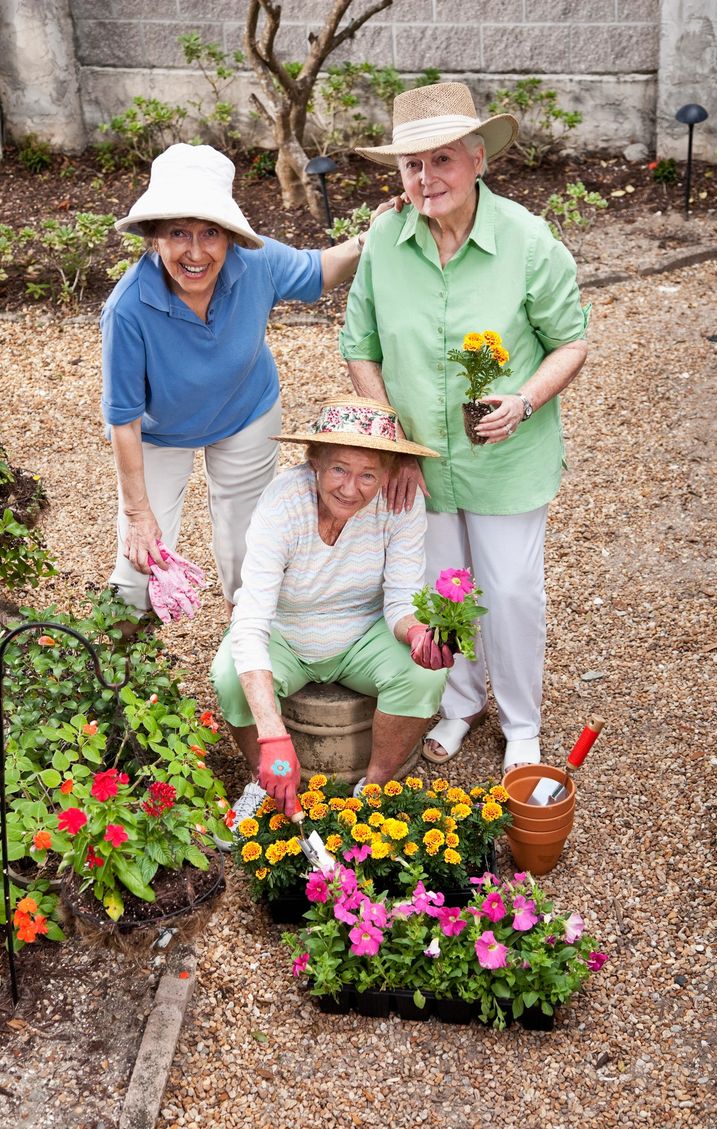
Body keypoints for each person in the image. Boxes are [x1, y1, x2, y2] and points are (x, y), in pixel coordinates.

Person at [339, 82, 589, 774]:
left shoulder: (529, 242)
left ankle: (522, 723)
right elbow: (359, 344)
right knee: (442, 586)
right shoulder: (387, 238)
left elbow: (571, 342)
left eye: (442, 160)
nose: (426, 179)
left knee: (508, 590)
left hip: (509, 458)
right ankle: (458, 702)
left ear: (479, 160)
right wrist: (392, 443)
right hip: (419, 462)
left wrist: (525, 400)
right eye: (412, 165)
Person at [101, 142, 375, 619]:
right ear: (154, 238)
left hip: (245, 411)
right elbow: (123, 422)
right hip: (160, 431)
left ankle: (245, 652)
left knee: (248, 550)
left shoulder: (257, 263)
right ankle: (126, 670)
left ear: (230, 236)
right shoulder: (127, 311)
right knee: (138, 566)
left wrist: (369, 241)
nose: (194, 251)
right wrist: (137, 514)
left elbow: (317, 271)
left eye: (210, 233)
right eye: (178, 232)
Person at [210, 397, 452, 827]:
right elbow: (250, 621)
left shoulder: (400, 502)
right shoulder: (283, 504)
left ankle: (375, 788)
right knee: (231, 674)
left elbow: (399, 598)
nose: (349, 487)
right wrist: (273, 736)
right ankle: (264, 780)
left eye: (368, 475)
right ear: (314, 461)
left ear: (389, 474)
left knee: (424, 671)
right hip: (287, 631)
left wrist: (416, 634)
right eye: (339, 468)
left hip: (364, 631)